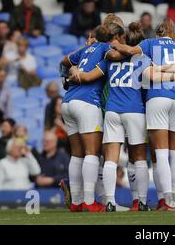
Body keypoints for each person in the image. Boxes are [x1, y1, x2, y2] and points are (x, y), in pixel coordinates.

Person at [107, 19, 175, 210]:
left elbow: (131, 52)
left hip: (157, 98)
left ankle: (163, 201)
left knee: (160, 154)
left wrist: (116, 44)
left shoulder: (150, 44)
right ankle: (172, 201)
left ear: (158, 33)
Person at [69, 22, 162, 212]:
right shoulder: (142, 58)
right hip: (134, 110)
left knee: (111, 158)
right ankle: (141, 202)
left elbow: (89, 72)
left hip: (112, 110)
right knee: (139, 158)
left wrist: (73, 73)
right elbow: (152, 79)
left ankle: (109, 201)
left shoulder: (109, 59)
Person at [60, 25, 113, 212]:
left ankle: (76, 202)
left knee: (77, 154)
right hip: (87, 102)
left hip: (67, 102)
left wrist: (66, 76)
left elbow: (64, 61)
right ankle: (90, 202)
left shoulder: (84, 49)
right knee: (92, 152)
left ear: (92, 36)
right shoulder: (107, 49)